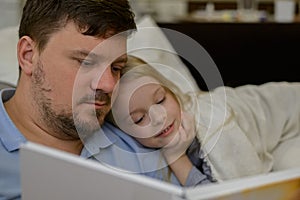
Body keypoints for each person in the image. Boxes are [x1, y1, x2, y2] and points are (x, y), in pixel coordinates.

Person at [0, 0, 136, 199]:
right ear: (28, 56)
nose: (108, 84)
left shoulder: (137, 151)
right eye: (86, 62)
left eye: (116, 68)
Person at [106, 55, 300, 186]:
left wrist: (176, 157)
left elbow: (223, 193)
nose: (159, 117)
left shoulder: (210, 124)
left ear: (172, 92)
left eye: (161, 100)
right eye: (139, 119)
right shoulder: (137, 152)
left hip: (270, 105)